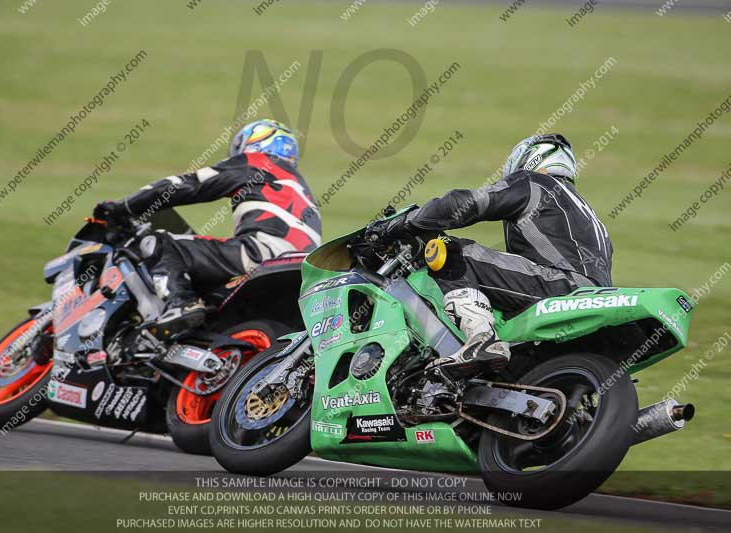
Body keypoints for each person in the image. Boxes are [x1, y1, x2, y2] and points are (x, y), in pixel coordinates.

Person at [365, 133, 612, 374]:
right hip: (592, 295)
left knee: (451, 250)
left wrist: (404, 223)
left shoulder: (536, 182)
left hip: (562, 285)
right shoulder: (589, 216)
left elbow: (465, 204)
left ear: (531, 159)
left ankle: (482, 340)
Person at [94, 119, 322, 330]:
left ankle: (180, 305)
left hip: (262, 255)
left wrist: (123, 207)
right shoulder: (304, 190)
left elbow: (187, 185)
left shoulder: (257, 163)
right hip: (304, 274)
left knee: (159, 243)